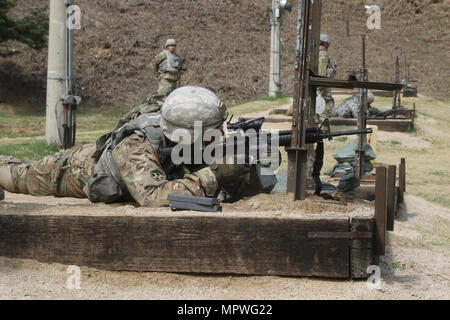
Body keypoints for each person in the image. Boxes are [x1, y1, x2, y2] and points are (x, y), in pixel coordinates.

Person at [0, 87, 253, 207]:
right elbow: (153, 198)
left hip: (115, 164)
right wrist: (214, 173)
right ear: (187, 135)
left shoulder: (181, 141)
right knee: (20, 176)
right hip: (76, 170)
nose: (221, 136)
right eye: (213, 133)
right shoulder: (137, 145)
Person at [285, 34, 336, 118]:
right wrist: (320, 89)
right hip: (323, 89)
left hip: (316, 87)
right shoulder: (323, 54)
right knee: (325, 110)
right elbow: (322, 74)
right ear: (326, 43)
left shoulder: (313, 53)